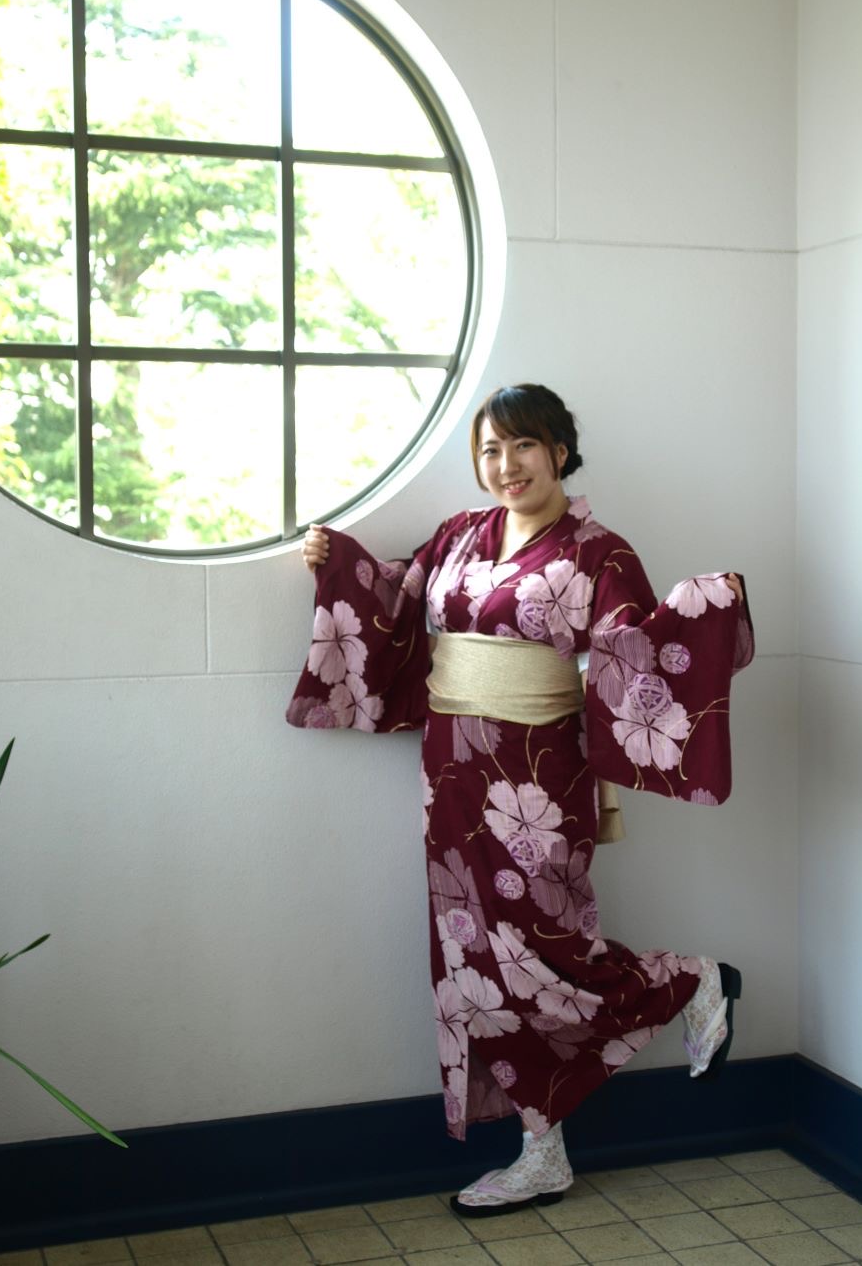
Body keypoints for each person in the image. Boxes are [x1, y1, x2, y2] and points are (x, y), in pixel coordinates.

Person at [287, 384, 754, 1217]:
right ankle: (542, 1150)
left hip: (538, 776)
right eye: (490, 450)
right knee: (471, 958)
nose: (506, 465)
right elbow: (395, 598)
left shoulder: (600, 551)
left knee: (545, 948)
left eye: (523, 446)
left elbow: (636, 646)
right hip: (449, 769)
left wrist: (708, 610)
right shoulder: (459, 535)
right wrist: (338, 560)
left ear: (559, 451)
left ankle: (687, 980)